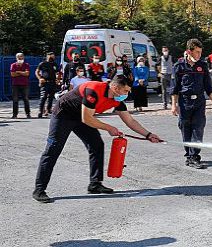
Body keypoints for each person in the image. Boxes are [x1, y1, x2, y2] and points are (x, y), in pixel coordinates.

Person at [32, 75, 162, 203]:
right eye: (126, 91)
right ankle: (39, 190)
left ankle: (95, 184)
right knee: (53, 150)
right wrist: (109, 128)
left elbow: (130, 121)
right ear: (115, 87)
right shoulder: (93, 90)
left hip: (82, 116)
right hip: (64, 114)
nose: (127, 94)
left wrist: (148, 135)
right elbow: (87, 118)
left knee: (97, 145)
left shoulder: (117, 100)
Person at [172, 39, 212, 169]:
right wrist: (174, 105)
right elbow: (175, 88)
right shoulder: (179, 66)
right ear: (189, 51)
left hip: (199, 101)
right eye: (197, 52)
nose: (199, 55)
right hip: (184, 102)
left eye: (200, 52)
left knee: (198, 128)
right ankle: (189, 156)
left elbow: (208, 87)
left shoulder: (203, 66)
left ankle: (194, 157)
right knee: (185, 128)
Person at [36, 52, 59, 118]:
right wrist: (40, 78)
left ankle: (48, 110)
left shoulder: (55, 64)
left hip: (52, 82)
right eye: (51, 56)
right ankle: (40, 111)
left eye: (53, 56)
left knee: (51, 97)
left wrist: (58, 79)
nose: (52, 58)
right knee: (43, 97)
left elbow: (57, 72)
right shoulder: (43, 64)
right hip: (45, 82)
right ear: (47, 56)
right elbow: (37, 72)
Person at [10, 52, 31, 118]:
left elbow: (27, 74)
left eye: (21, 56)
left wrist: (18, 72)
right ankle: (14, 114)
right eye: (19, 57)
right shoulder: (13, 65)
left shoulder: (26, 65)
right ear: (16, 58)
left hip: (25, 84)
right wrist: (23, 72)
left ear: (23, 57)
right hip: (15, 85)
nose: (20, 58)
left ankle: (28, 114)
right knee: (15, 100)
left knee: (26, 99)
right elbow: (12, 74)